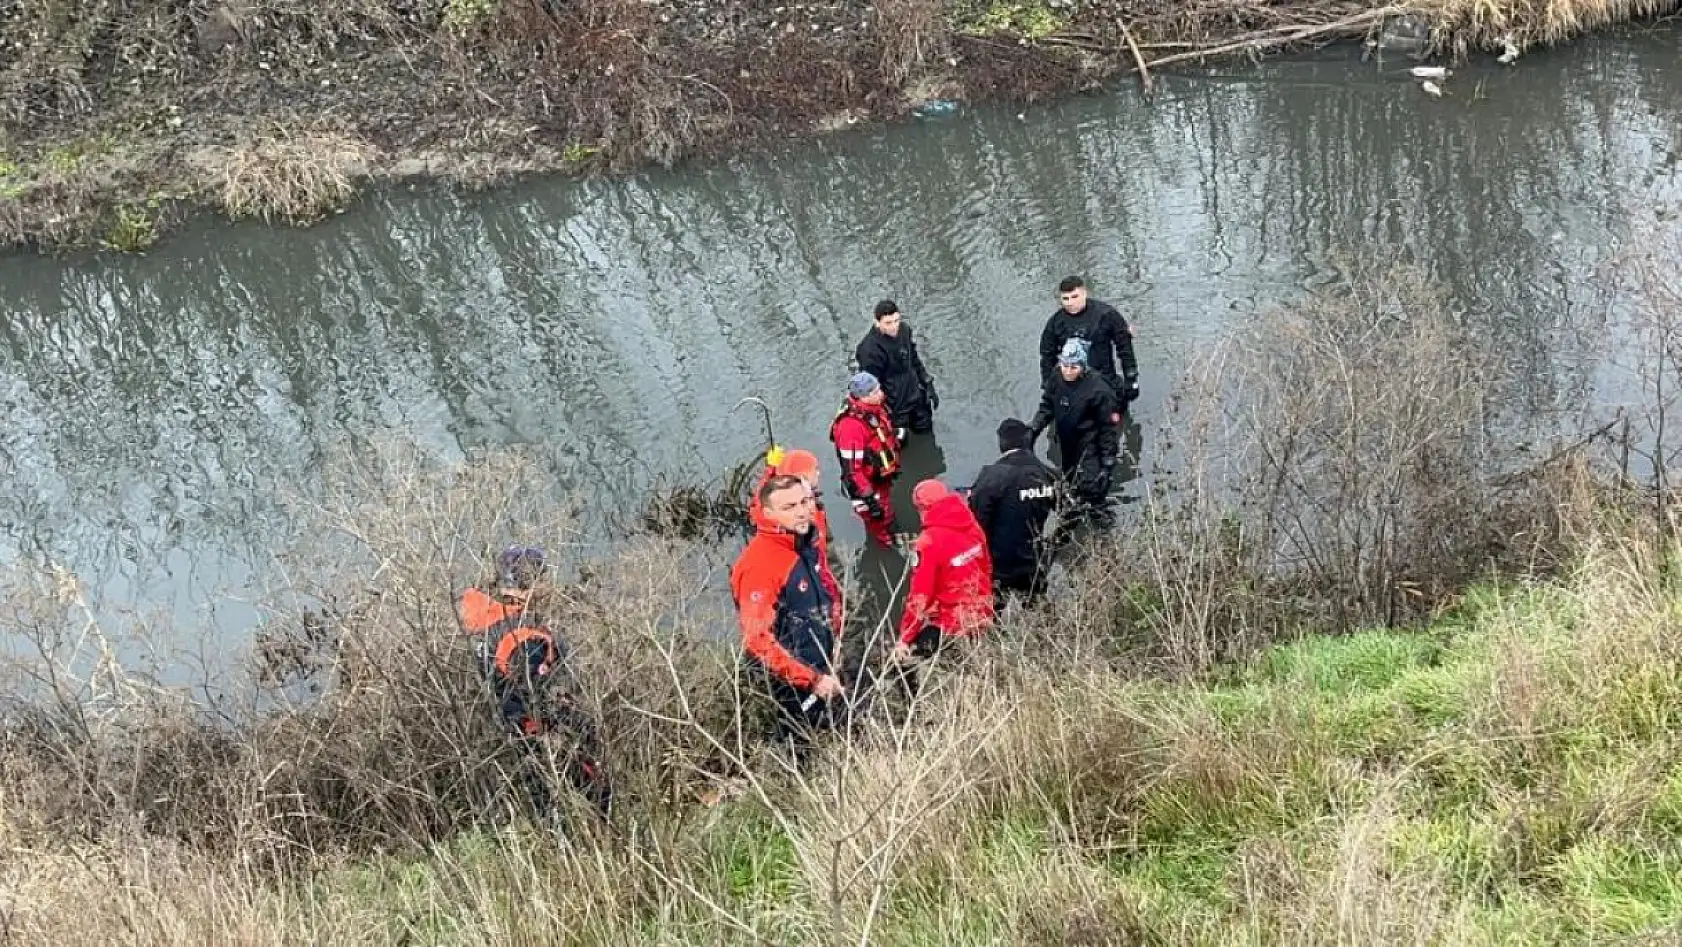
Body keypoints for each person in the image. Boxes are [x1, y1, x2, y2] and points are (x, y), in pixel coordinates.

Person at [457, 545, 612, 818]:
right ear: (530, 583)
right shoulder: (524, 636)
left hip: (510, 730)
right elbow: (539, 692)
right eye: (543, 578)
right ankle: (598, 833)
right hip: (542, 735)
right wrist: (572, 723)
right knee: (590, 798)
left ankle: (556, 840)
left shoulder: (487, 620)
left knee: (541, 805)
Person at [731, 475, 847, 754]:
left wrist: (837, 640)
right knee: (798, 743)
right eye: (790, 506)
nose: (802, 510)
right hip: (791, 678)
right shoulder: (761, 564)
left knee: (833, 728)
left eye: (806, 501)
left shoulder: (804, 543)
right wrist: (811, 680)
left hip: (822, 662)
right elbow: (757, 640)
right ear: (768, 513)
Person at [968, 418, 1060, 606]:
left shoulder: (991, 476)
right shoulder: (1049, 474)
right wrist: (1053, 546)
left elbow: (976, 523)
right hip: (1033, 560)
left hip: (999, 565)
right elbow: (1071, 512)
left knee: (993, 617)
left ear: (1002, 444)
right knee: (1038, 612)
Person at [1030, 339, 1121, 527]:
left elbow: (1108, 430)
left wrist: (1107, 464)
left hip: (1089, 446)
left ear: (1082, 366)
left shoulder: (1099, 389)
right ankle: (1073, 519)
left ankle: (1103, 527)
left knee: (1093, 489)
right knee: (1071, 485)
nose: (1068, 371)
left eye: (1073, 367)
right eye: (1065, 365)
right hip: (1066, 443)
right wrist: (1033, 429)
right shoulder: (1056, 377)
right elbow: (1047, 405)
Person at [1038, 276, 1140, 420]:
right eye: (1065, 299)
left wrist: (1131, 379)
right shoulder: (1055, 322)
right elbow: (1047, 355)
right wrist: (1048, 384)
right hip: (1072, 386)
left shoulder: (1107, 315)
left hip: (1105, 382)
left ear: (1084, 293)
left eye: (1074, 297)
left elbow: (1125, 349)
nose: (1070, 303)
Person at [829, 371, 904, 546]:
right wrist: (870, 501)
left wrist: (897, 440)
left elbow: (882, 435)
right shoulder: (850, 427)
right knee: (878, 522)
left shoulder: (874, 410)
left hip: (880, 477)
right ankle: (886, 544)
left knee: (887, 513)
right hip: (867, 486)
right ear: (864, 397)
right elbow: (852, 471)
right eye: (876, 391)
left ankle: (890, 528)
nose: (882, 393)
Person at [854, 299, 938, 438]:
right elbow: (871, 387)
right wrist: (879, 414)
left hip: (915, 395)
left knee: (926, 432)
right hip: (895, 407)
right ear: (877, 322)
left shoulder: (904, 331)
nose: (894, 327)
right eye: (888, 323)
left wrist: (927, 382)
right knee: (899, 444)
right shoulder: (869, 350)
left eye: (896, 320)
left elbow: (914, 359)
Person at [747, 446, 833, 565]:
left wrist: (772, 468)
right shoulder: (798, 518)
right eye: (815, 469)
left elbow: (764, 493)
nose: (818, 473)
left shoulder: (777, 496)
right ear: (803, 477)